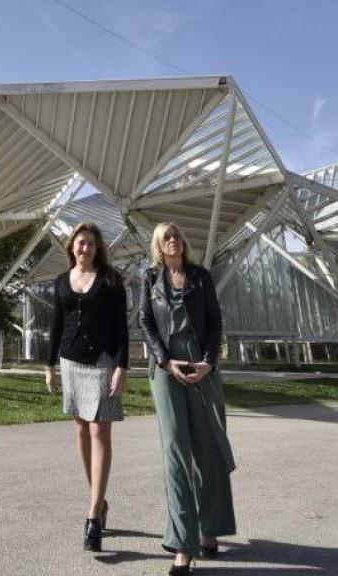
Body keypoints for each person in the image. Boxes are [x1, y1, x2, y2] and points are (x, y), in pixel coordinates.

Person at [138, 222, 236, 575]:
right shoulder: (150, 278)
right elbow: (145, 321)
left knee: (208, 448)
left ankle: (211, 528)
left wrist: (209, 361)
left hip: (201, 365)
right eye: (167, 237)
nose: (173, 241)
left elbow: (215, 321)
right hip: (166, 368)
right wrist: (164, 360)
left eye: (177, 236)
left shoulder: (200, 277)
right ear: (158, 245)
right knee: (175, 451)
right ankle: (182, 544)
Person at [45, 222, 129, 553]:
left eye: (91, 243)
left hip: (103, 361)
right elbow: (56, 325)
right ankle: (99, 498)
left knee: (99, 432)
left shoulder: (111, 280)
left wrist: (122, 367)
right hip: (71, 361)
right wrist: (49, 366)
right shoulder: (60, 281)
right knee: (81, 429)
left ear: (98, 248)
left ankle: (93, 515)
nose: (86, 248)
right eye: (81, 242)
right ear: (72, 246)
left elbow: (121, 327)